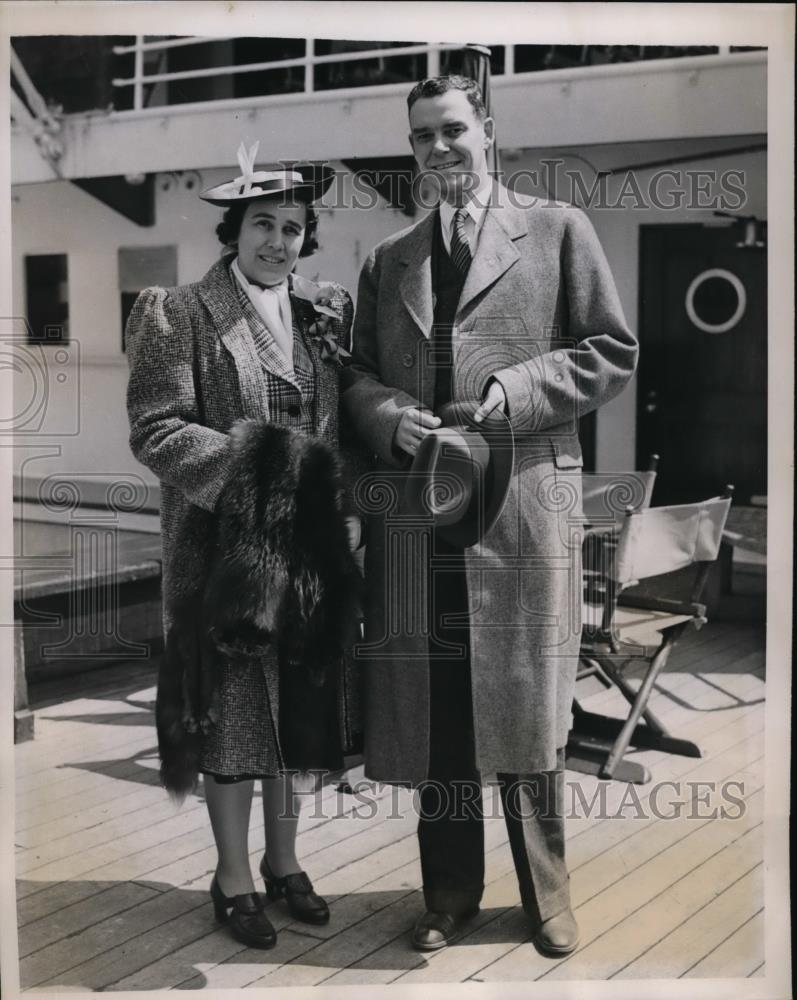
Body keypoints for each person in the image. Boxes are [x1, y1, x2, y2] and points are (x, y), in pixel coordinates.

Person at [341, 75, 638, 955]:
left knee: (527, 708)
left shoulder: (556, 232)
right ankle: (448, 894)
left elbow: (609, 352)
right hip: (418, 518)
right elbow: (355, 377)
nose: (438, 149)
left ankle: (548, 899)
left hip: (518, 515)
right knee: (438, 714)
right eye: (422, 136)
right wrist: (392, 418)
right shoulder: (387, 257)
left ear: (488, 131)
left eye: (453, 130)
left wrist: (511, 389)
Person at [126, 145, 361, 950]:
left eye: (294, 228)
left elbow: (338, 427)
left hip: (306, 556)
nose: (279, 242)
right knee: (228, 718)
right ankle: (230, 877)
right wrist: (261, 468)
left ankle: (284, 861)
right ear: (234, 230)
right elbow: (156, 429)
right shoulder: (179, 312)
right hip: (219, 556)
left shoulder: (319, 316)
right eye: (264, 224)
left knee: (295, 713)